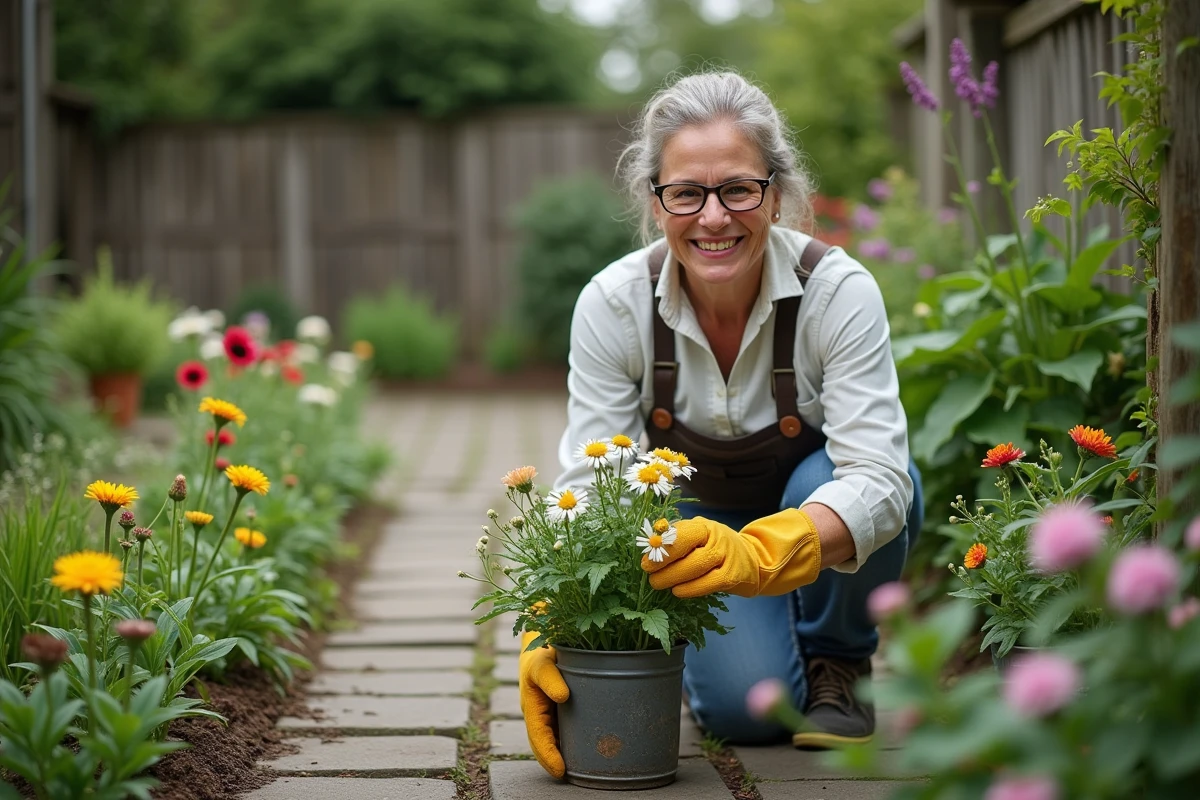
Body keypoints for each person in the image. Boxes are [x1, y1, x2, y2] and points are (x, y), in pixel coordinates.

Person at [518, 70, 924, 779]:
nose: (713, 217)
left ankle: (838, 657)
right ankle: (764, 644)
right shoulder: (615, 304)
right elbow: (591, 478)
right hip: (690, 531)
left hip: (808, 506)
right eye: (686, 193)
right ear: (657, 200)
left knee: (850, 478)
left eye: (738, 188)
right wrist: (555, 614)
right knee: (751, 715)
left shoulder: (838, 291)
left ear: (775, 192)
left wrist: (769, 554)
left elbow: (881, 479)